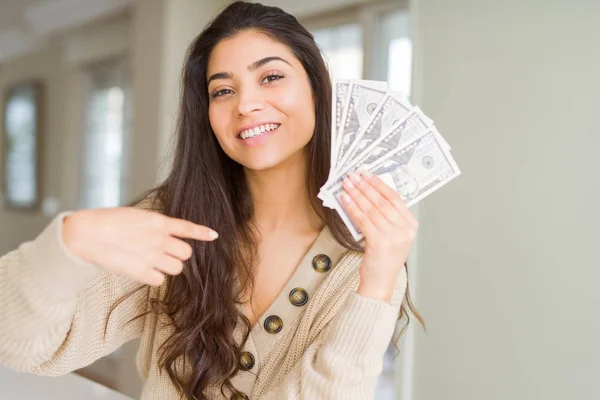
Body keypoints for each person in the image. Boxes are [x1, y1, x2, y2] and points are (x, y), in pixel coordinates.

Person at [0, 2, 423, 399]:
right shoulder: (170, 224)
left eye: (271, 77)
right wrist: (70, 242)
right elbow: (20, 345)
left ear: (316, 89)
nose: (247, 104)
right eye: (222, 91)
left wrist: (378, 280)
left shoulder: (365, 260)